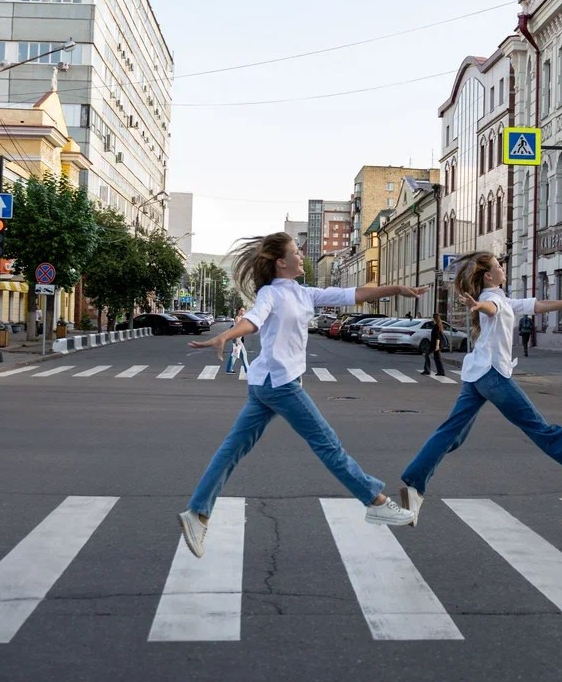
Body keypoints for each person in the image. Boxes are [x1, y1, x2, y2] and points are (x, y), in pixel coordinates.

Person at [177, 232, 422, 558]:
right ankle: (375, 501)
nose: (301, 255)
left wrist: (396, 288)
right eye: (295, 251)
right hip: (280, 385)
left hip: (265, 384)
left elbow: (355, 293)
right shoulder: (271, 294)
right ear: (281, 262)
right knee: (328, 444)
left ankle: (198, 513)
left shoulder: (305, 294)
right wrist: (227, 335)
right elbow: (253, 319)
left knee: (232, 449)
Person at [398, 251, 562, 527]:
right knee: (538, 427)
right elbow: (490, 308)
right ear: (489, 276)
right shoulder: (491, 299)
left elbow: (539, 305)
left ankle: (414, 487)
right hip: (493, 375)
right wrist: (479, 307)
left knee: (451, 433)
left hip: (476, 375)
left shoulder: (502, 299)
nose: (503, 268)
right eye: (498, 266)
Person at [420, 312, 446, 377]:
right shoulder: (438, 325)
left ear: (435, 318)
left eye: (432, 317)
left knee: (427, 355)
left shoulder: (436, 326)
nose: (432, 319)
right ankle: (441, 371)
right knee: (437, 358)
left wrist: (437, 346)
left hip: (435, 345)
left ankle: (427, 370)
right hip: (435, 344)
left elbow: (438, 337)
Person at [225, 306, 249, 375]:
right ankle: (247, 370)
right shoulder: (238, 318)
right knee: (243, 353)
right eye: (241, 310)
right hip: (237, 338)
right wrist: (236, 340)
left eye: (244, 311)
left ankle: (229, 369)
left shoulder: (242, 318)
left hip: (239, 338)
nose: (243, 312)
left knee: (234, 354)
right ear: (238, 311)